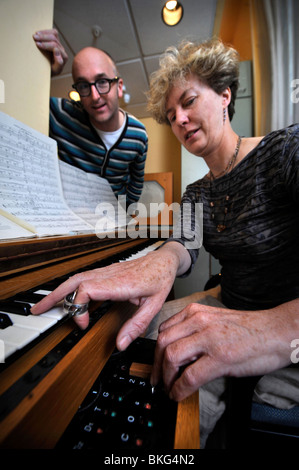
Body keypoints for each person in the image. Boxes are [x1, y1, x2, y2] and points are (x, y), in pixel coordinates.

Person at [31, 38, 299, 447]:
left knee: (270, 401)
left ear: (225, 94)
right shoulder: (196, 193)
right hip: (229, 301)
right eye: (172, 115)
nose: (181, 120)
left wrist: (273, 329)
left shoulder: (284, 152)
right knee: (130, 335)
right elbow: (182, 246)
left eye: (189, 101)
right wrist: (163, 260)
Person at [33, 29, 148, 207]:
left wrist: (122, 214)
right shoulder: (61, 115)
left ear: (118, 87)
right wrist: (45, 72)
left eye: (102, 82)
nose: (94, 96)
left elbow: (136, 184)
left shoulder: (139, 134)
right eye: (84, 85)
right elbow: (18, 103)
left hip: (111, 222)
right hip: (69, 220)